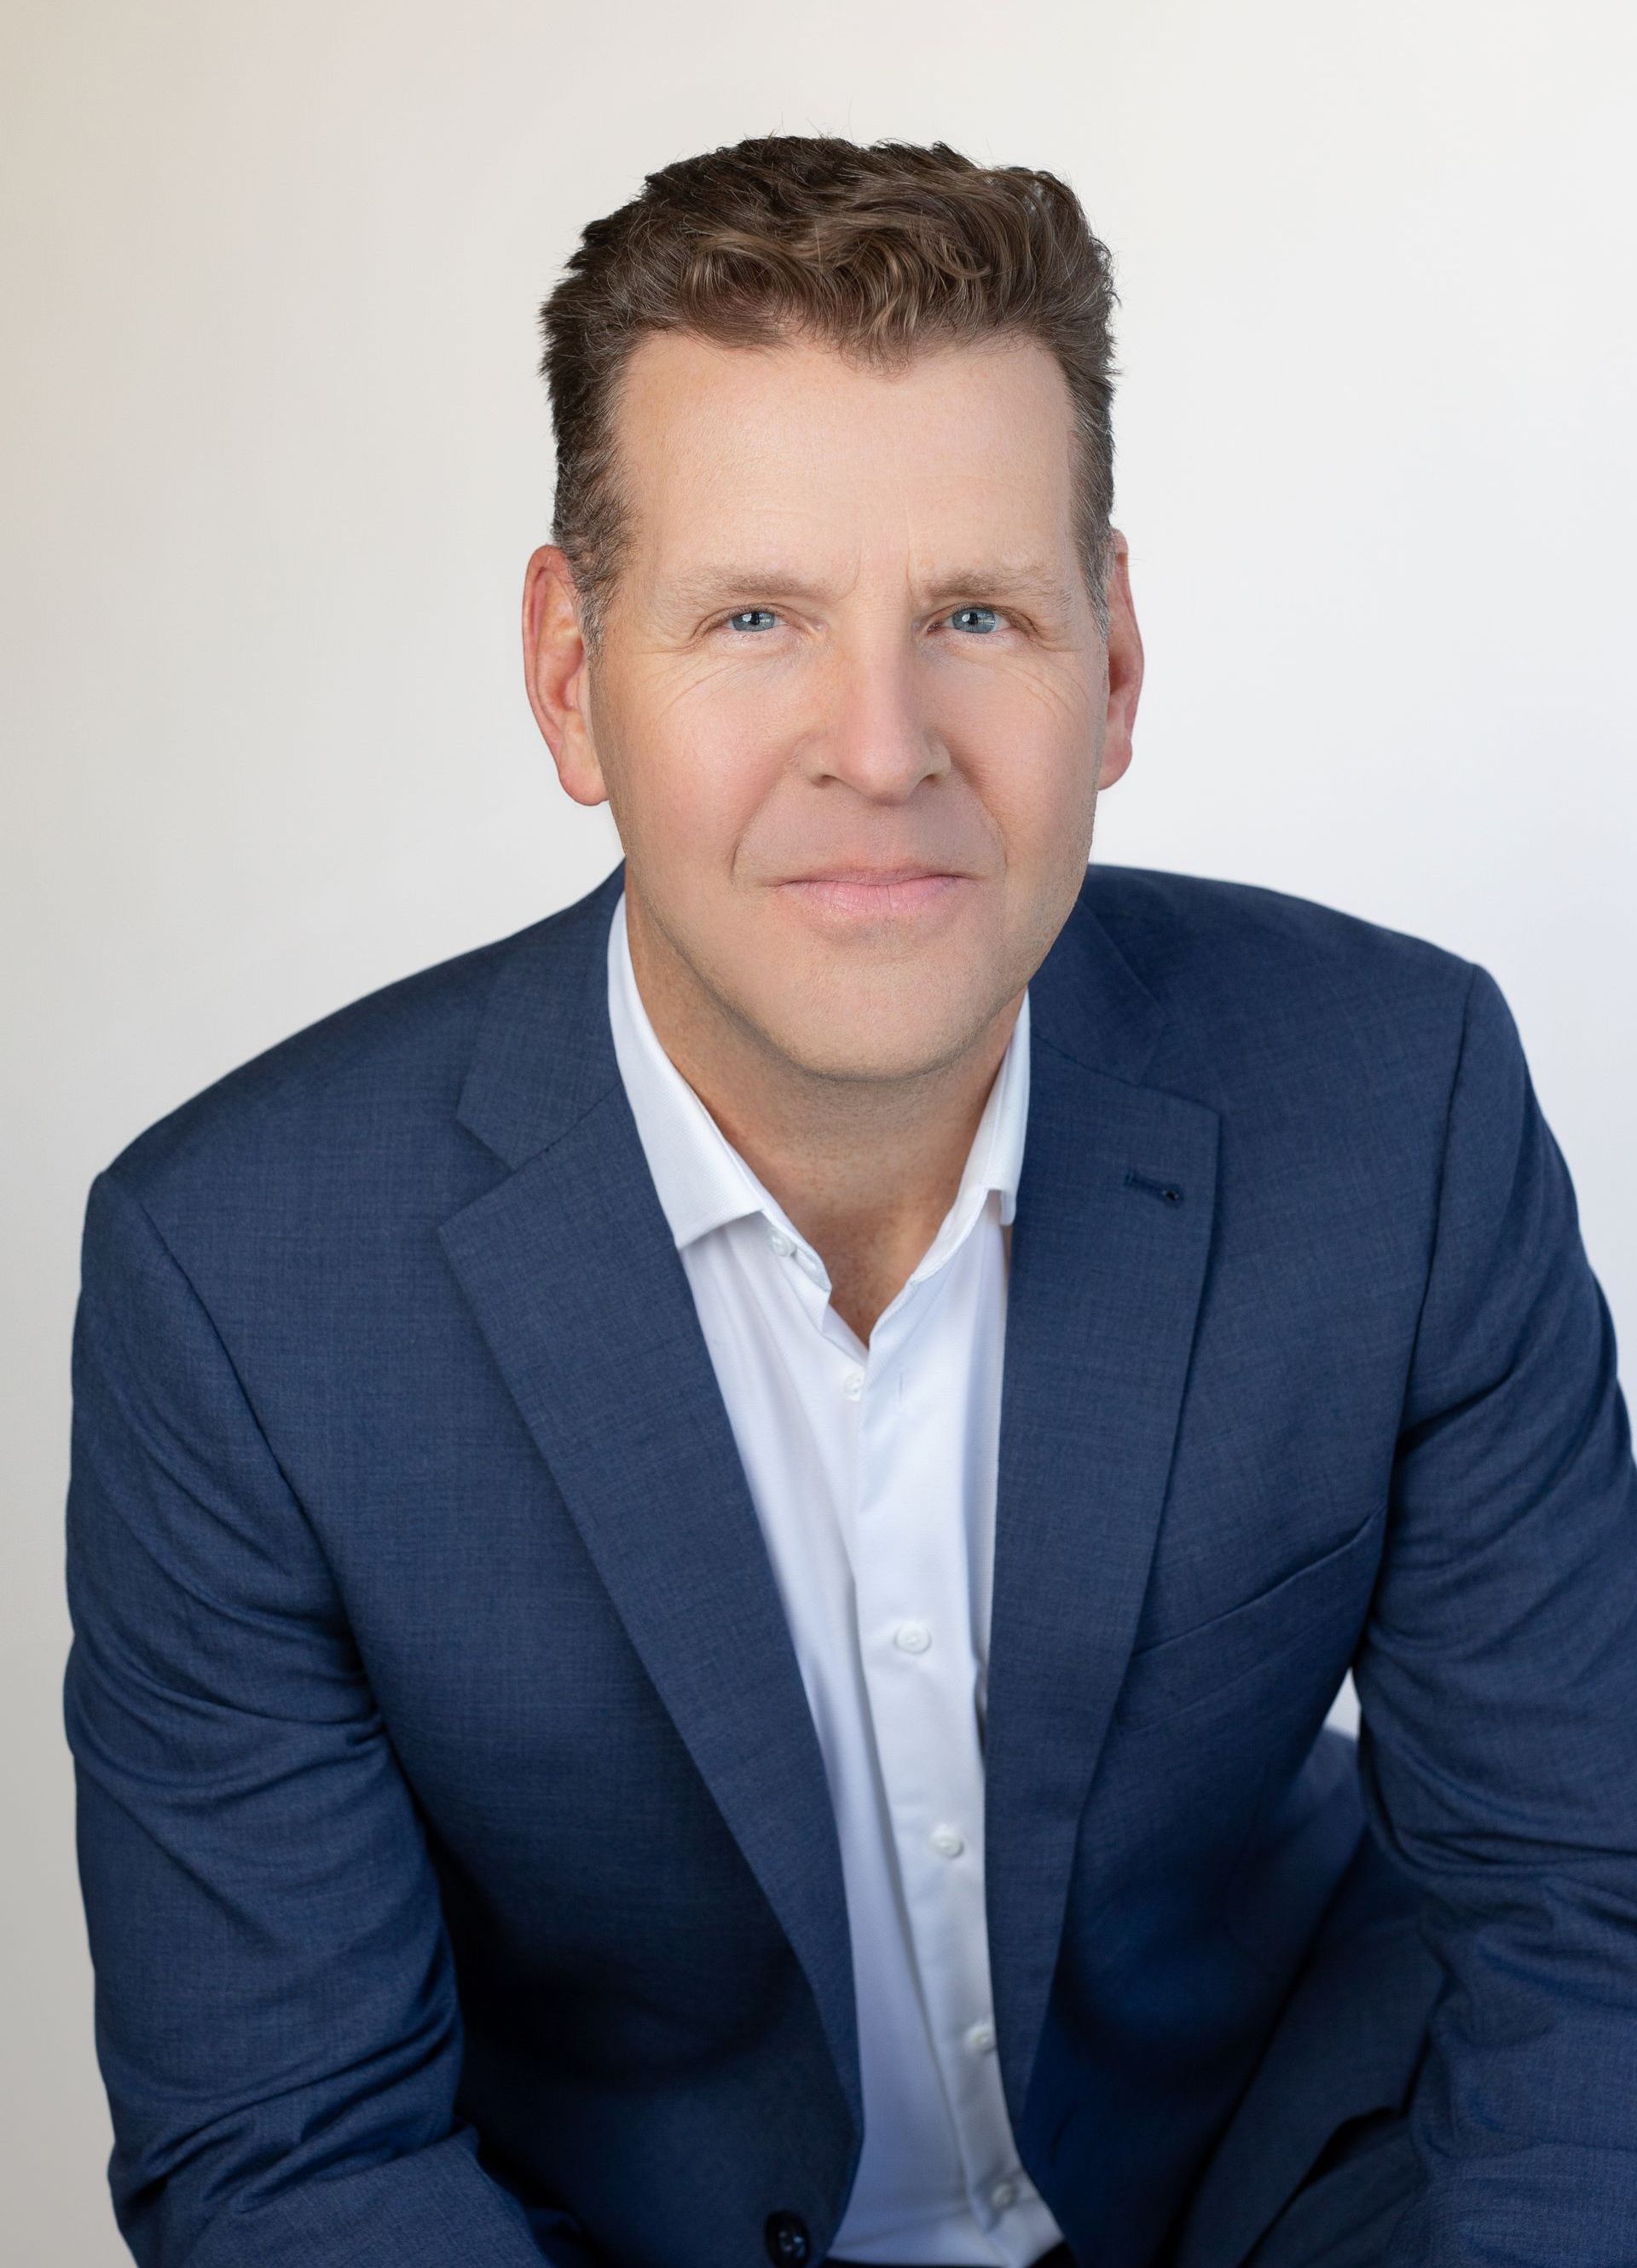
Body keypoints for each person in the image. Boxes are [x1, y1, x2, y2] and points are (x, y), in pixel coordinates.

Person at [62, 133, 1637, 2268]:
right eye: (755, 619)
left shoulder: (1401, 1106)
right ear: (567, 675)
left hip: (1295, 2207)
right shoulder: (237, 1290)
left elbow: (1588, 1930)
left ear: (1118, 665)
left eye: (976, 614)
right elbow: (297, 2158)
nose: (880, 747)